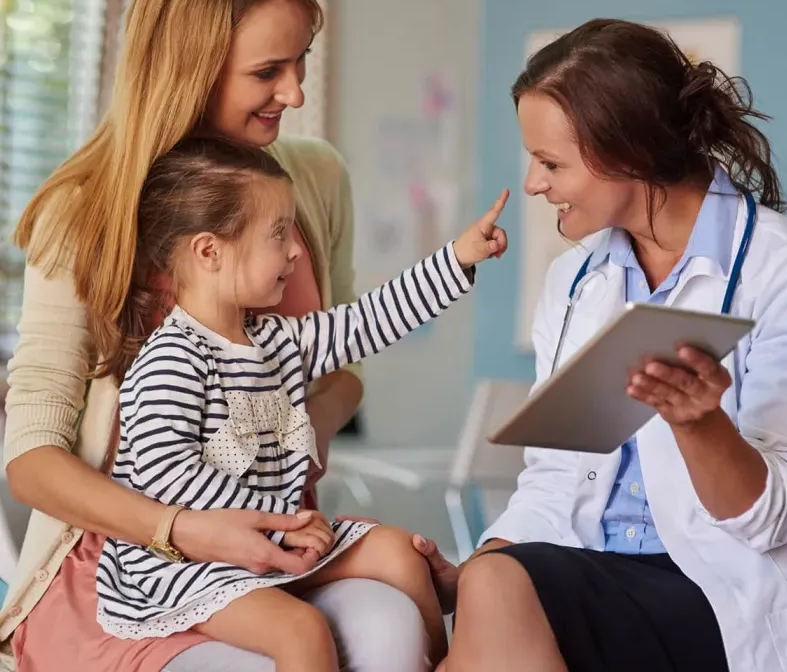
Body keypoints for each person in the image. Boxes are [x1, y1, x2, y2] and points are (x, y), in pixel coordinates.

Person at [412, 18, 787, 672]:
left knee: (491, 596)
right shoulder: (574, 280)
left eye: (551, 163)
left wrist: (701, 426)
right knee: (489, 583)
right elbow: (554, 485)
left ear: (629, 154)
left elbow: (773, 521)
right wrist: (480, 561)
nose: (532, 184)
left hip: (729, 593)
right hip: (601, 575)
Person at [0, 0, 440, 670]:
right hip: (128, 568)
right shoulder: (85, 210)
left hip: (278, 548)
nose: (294, 93)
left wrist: (303, 428)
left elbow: (341, 370)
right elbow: (31, 463)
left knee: (392, 629)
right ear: (188, 68)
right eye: (268, 71)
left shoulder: (315, 177)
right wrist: (184, 527)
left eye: (303, 61)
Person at [96, 137, 507, 671]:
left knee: (404, 556)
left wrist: (457, 260)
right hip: (188, 567)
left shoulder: (278, 340)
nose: (295, 249)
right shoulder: (171, 360)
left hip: (276, 541)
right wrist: (280, 522)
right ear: (208, 251)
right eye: (278, 233)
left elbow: (367, 322)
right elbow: (168, 474)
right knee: (301, 631)